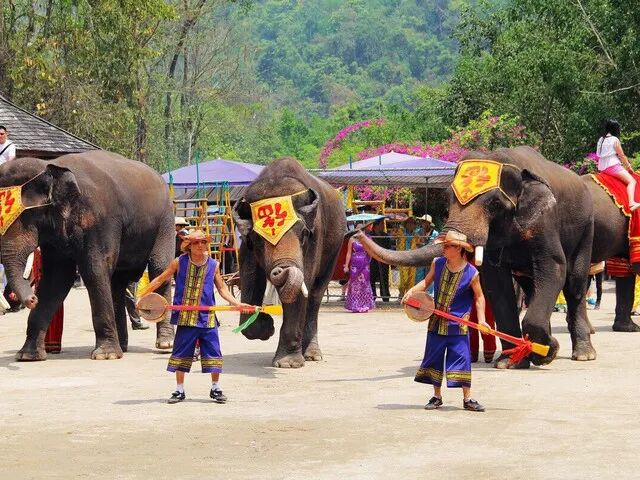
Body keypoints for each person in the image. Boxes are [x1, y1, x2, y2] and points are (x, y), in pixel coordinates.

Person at [138, 230, 252, 404]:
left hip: (207, 318)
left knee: (214, 353)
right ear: (189, 246)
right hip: (185, 318)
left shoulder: (214, 265)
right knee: (181, 354)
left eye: (203, 242)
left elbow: (222, 289)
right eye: (196, 243)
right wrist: (141, 296)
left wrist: (238, 304)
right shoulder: (179, 262)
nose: (200, 245)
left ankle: (215, 388)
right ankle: (179, 390)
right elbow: (160, 279)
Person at [404, 231, 488, 412]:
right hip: (436, 322)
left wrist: (482, 320)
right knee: (434, 358)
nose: (444, 248)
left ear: (458, 249)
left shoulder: (472, 273)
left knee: (462, 359)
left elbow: (479, 297)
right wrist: (411, 292)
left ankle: (468, 399)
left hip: (458, 326)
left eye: (448, 246)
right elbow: (426, 282)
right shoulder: (438, 263)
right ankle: (437, 396)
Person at [596, 119, 639, 210]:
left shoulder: (601, 139)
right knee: (632, 181)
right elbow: (621, 156)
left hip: (602, 168)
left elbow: (599, 154)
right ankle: (632, 203)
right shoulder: (615, 140)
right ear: (615, 129)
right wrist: (629, 167)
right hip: (613, 167)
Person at [343, 225, 375, 313]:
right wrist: (346, 266)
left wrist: (368, 261)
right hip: (354, 265)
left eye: (361, 229)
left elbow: (371, 251)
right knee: (354, 284)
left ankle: (365, 305)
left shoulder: (368, 239)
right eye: (357, 229)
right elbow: (349, 253)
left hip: (365, 264)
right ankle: (354, 305)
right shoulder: (352, 239)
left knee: (364, 283)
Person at [397, 217, 421, 298]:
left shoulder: (416, 235)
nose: (410, 225)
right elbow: (394, 236)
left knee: (411, 279)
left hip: (412, 258)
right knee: (404, 278)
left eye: (412, 223)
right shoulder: (401, 232)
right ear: (406, 224)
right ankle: (401, 295)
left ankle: (408, 296)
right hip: (403, 257)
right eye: (409, 223)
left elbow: (420, 243)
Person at [369, 219, 392, 302]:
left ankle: (385, 296)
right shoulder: (370, 236)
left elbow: (389, 248)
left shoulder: (385, 236)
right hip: (372, 260)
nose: (383, 226)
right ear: (377, 225)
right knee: (371, 279)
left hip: (383, 260)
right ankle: (372, 296)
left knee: (384, 279)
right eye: (382, 224)